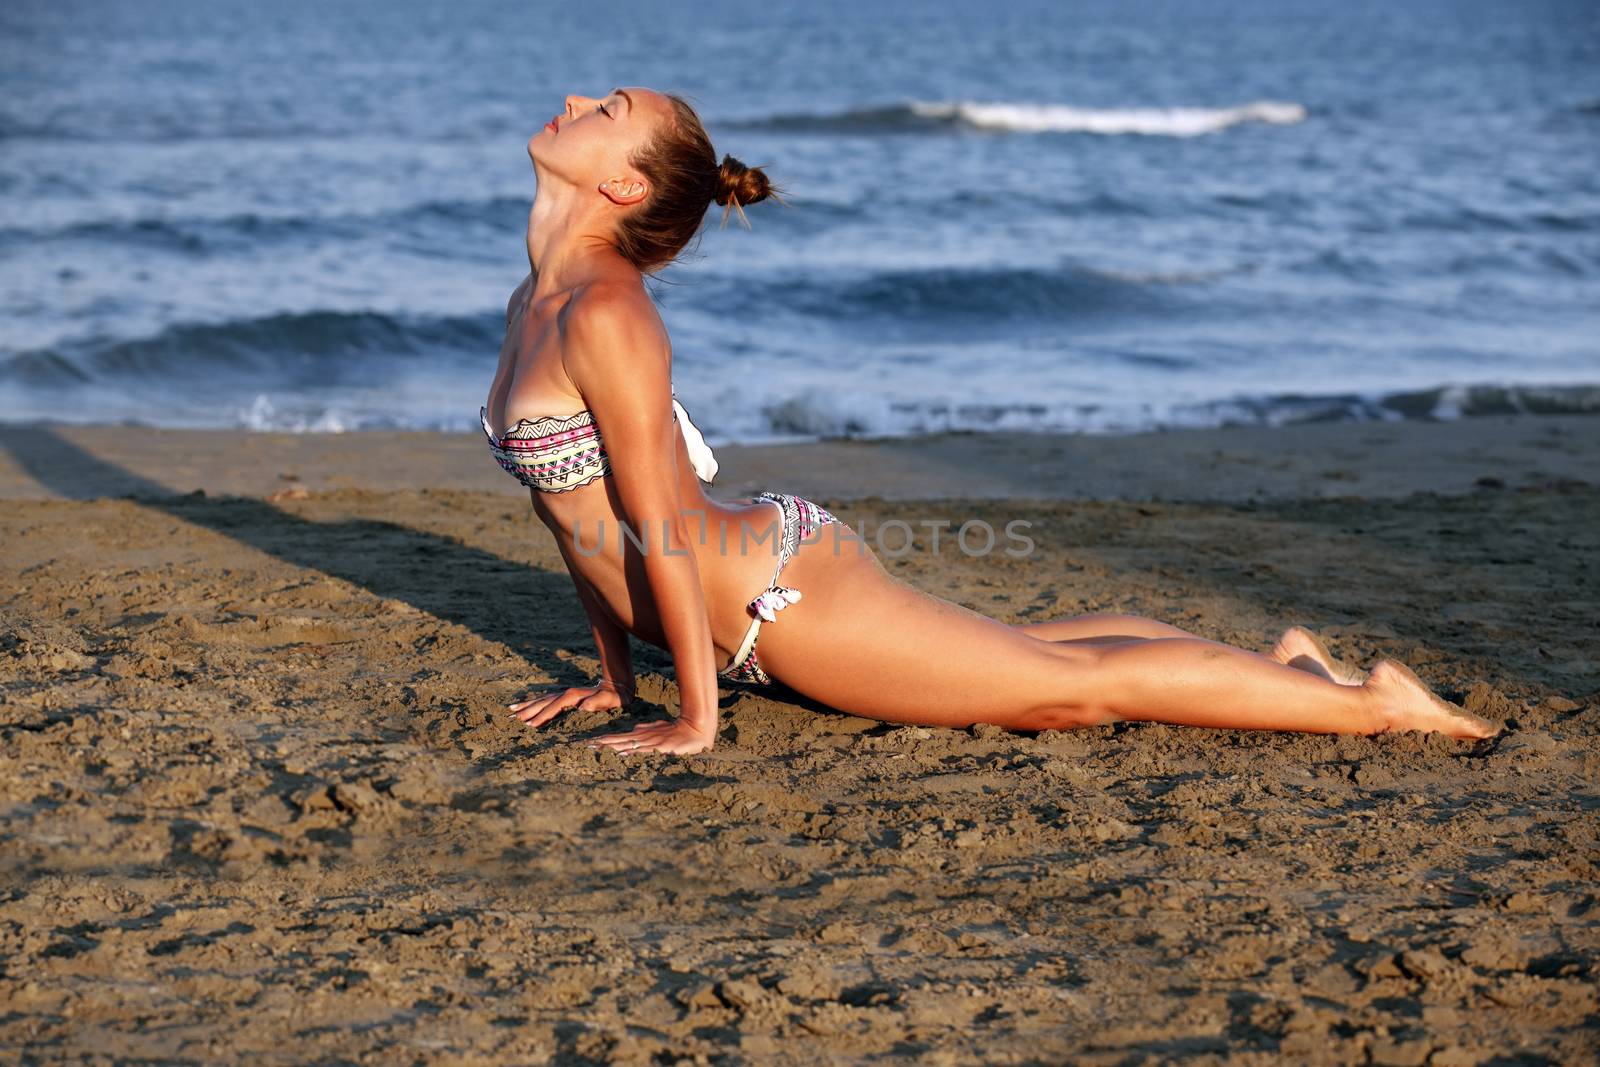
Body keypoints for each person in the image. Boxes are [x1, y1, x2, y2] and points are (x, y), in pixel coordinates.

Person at [483, 86, 1497, 756]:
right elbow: (570, 515)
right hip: (758, 571)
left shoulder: (609, 313)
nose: (575, 101)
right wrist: (617, 678)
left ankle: (1373, 702)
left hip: (777, 601)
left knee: (1059, 692)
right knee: (1021, 648)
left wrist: (695, 719)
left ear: (622, 185)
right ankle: (1281, 668)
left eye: (604, 106)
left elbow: (653, 523)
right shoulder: (541, 295)